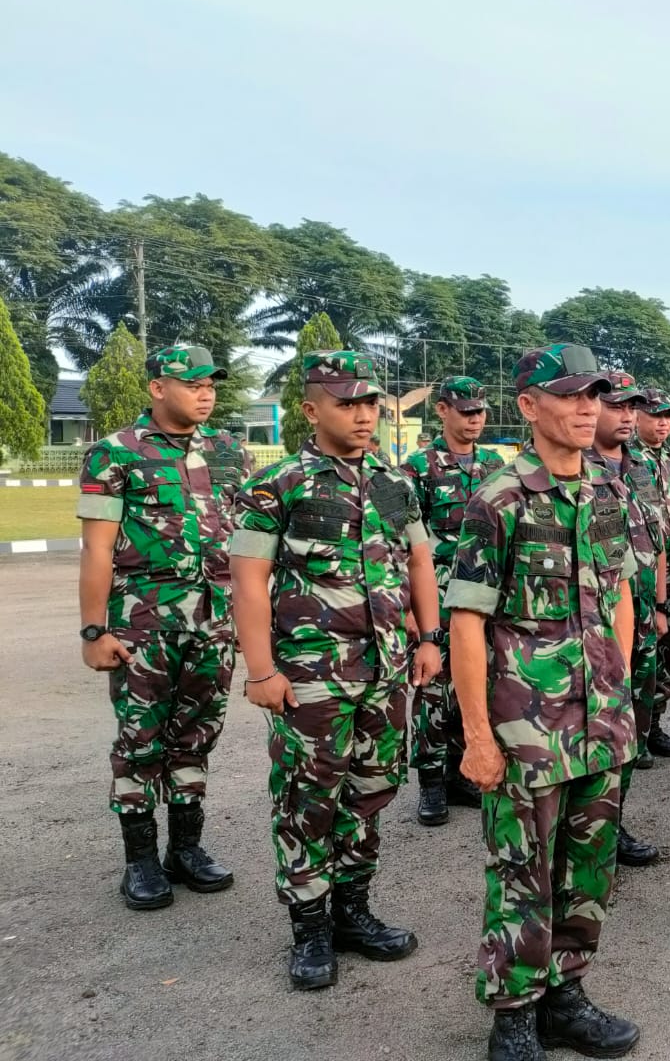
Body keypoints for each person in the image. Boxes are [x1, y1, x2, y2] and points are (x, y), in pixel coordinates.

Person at [444, 344, 642, 1060]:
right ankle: (515, 1016)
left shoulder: (610, 492)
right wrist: (477, 736)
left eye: (597, 395)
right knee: (521, 874)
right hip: (528, 725)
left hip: (600, 720)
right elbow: (466, 621)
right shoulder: (499, 498)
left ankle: (566, 995)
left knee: (589, 867)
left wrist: (618, 688)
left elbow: (618, 594)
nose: (590, 409)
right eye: (572, 395)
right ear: (529, 406)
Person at [231, 350, 443, 991]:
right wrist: (261, 670)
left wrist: (428, 638)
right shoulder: (282, 484)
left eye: (370, 402)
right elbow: (248, 579)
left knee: (371, 792)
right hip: (312, 675)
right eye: (346, 401)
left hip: (386, 669)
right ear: (311, 408)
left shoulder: (395, 479)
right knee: (307, 799)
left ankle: (353, 911)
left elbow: (420, 560)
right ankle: (310, 928)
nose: (362, 414)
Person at [77, 344, 250, 911]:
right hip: (143, 626)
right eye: (193, 383)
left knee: (198, 734)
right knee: (139, 739)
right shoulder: (114, 455)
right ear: (157, 387)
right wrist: (93, 630)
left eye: (211, 385)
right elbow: (97, 551)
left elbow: (247, 546)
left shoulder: (229, 453)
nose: (205, 394)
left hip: (214, 625)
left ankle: (186, 848)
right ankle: (141, 860)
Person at [398, 375, 504, 826]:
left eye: (479, 411)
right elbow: (401, 542)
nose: (474, 419)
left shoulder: (495, 465)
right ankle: (431, 784)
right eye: (466, 412)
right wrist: (408, 608)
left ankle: (462, 772)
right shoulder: (416, 468)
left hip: (483, 596)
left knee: (476, 685)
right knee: (433, 692)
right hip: (436, 600)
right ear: (442, 411)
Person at [588, 371, 670, 869]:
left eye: (630, 407)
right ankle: (585, 831)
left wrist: (659, 605)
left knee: (629, 726)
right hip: (592, 621)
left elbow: (657, 537)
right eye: (614, 405)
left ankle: (613, 823)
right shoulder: (577, 468)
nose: (624, 415)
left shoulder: (643, 466)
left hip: (638, 614)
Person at [637, 390, 670, 759]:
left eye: (668, 416)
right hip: (642, 577)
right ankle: (635, 735)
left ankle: (655, 725)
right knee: (639, 656)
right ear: (637, 416)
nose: (663, 423)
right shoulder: (627, 460)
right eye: (655, 415)